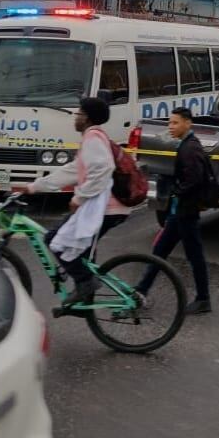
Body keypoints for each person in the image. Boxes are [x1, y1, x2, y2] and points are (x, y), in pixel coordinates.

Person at [27, 97, 130, 306]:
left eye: (79, 114)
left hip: (106, 208)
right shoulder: (92, 138)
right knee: (78, 251)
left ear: (88, 118)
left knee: (55, 240)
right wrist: (36, 186)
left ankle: (85, 284)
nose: (75, 117)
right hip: (103, 207)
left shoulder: (93, 138)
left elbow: (103, 169)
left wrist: (79, 197)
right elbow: (73, 171)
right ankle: (84, 299)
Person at [137, 107, 212, 314]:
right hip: (180, 211)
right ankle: (141, 289)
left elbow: (194, 180)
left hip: (186, 212)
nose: (171, 126)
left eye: (175, 123)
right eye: (170, 123)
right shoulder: (187, 145)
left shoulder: (190, 149)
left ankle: (203, 299)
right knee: (160, 250)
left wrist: (176, 192)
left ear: (188, 123)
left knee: (194, 255)